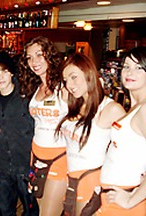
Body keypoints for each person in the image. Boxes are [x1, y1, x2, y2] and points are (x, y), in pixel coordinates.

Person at [55, 53, 126, 215]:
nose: (69, 85)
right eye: (66, 80)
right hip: (70, 179)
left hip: (91, 181)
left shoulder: (110, 109)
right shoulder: (74, 104)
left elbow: (134, 147)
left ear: (88, 74)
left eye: (74, 77)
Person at [19, 36, 68, 216]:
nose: (34, 62)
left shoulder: (65, 86)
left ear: (50, 56)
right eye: (30, 58)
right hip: (36, 156)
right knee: (40, 209)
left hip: (59, 158)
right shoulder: (36, 87)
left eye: (39, 55)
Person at [0, 52, 39, 216]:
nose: (0, 76)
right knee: (5, 211)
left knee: (31, 210)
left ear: (12, 73)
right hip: (2, 167)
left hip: (25, 165)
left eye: (4, 71)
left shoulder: (27, 95)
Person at [98, 46, 146, 215]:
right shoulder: (135, 108)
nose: (129, 72)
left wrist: (130, 200)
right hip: (113, 197)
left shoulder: (144, 109)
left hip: (126, 202)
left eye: (138, 68)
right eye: (126, 66)